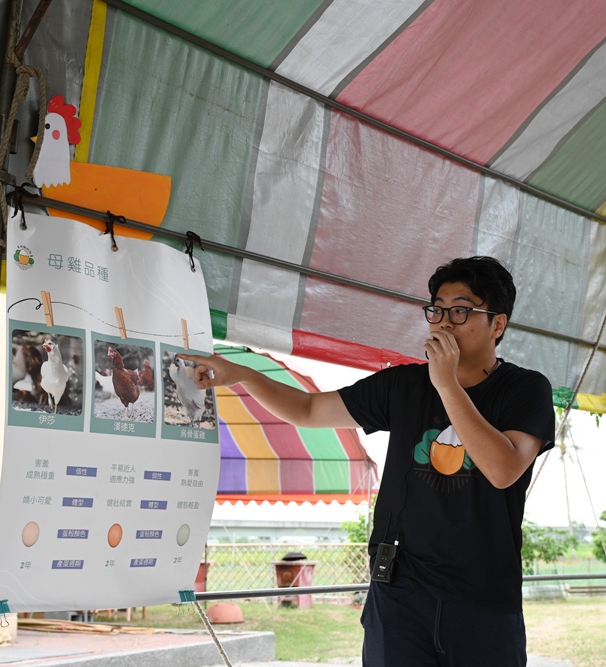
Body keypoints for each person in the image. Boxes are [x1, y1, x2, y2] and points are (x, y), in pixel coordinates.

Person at [182, 256, 555, 667]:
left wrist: (446, 383)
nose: (443, 321)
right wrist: (244, 375)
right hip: (400, 592)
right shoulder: (402, 385)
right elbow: (308, 409)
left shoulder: (525, 389)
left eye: (461, 310)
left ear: (497, 324)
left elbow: (503, 470)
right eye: (437, 309)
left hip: (482, 598)